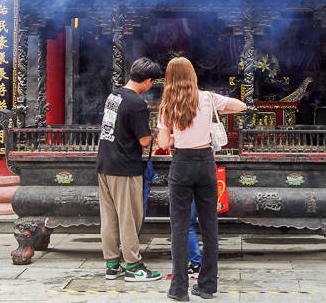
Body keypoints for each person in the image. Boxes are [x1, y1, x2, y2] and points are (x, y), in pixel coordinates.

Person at [157, 57, 247, 301]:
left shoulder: (167, 105)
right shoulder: (207, 98)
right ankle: (207, 286)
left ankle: (178, 289)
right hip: (206, 163)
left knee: (179, 228)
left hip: (182, 164)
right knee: (210, 227)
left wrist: (176, 138)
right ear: (192, 75)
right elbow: (241, 106)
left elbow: (164, 143)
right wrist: (220, 109)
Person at [97, 56, 164, 282]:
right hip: (124, 167)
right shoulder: (136, 103)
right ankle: (134, 266)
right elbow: (144, 141)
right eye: (152, 82)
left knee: (109, 217)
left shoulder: (113, 95)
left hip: (105, 163)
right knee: (128, 218)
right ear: (147, 81)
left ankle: (112, 264)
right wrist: (157, 133)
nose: (151, 86)